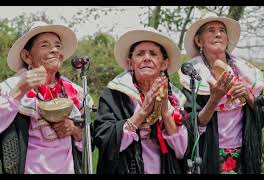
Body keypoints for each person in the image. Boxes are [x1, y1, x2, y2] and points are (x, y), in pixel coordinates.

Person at [93, 27, 191, 174]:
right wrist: (143, 112)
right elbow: (105, 142)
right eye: (140, 54)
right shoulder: (114, 94)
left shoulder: (175, 99)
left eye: (153, 54)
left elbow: (182, 151)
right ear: (130, 63)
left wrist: (164, 112)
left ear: (164, 64)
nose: (147, 58)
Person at [179, 14, 264, 174]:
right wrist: (214, 99)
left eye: (222, 31)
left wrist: (248, 96)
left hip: (244, 155)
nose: (218, 34)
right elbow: (191, 125)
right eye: (211, 30)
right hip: (208, 156)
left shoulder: (246, 72)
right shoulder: (192, 75)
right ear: (199, 41)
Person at [0, 21, 90, 174]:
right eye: (44, 45)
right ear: (27, 56)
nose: (54, 50)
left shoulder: (75, 92)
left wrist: (74, 130)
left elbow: (88, 142)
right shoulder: (12, 87)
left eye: (58, 45)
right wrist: (20, 91)